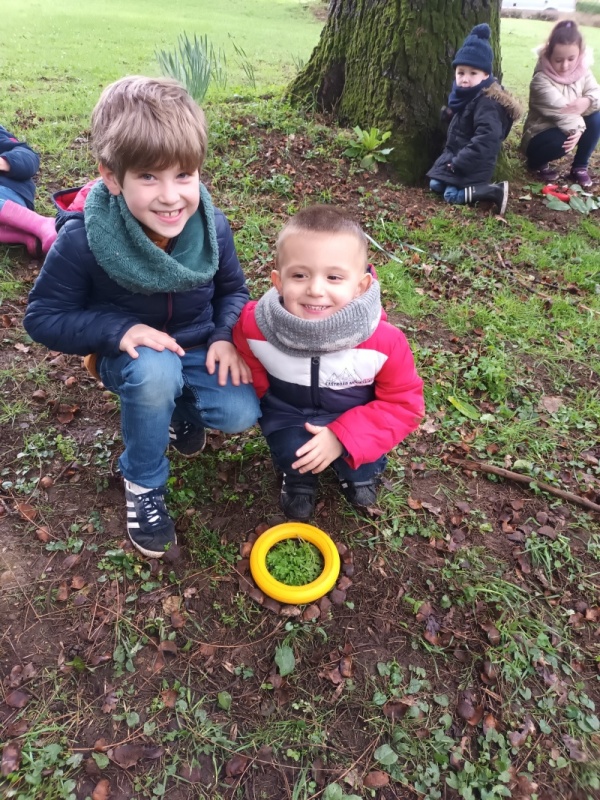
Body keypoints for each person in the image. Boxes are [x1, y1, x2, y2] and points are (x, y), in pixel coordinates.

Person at [24, 76, 260, 558]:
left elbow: (233, 290)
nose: (171, 197)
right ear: (113, 177)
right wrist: (118, 330)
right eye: (149, 177)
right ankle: (143, 483)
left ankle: (174, 413)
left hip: (196, 344)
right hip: (130, 357)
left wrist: (222, 335)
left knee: (241, 412)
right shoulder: (85, 240)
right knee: (155, 373)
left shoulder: (211, 228)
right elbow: (43, 317)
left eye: (184, 175)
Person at [232, 206, 424, 522]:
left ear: (360, 286)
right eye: (299, 275)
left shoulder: (385, 342)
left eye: (334, 277)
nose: (316, 290)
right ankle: (297, 477)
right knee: (293, 451)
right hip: (290, 414)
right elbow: (249, 357)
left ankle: (360, 473)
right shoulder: (255, 326)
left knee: (361, 459)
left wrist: (343, 436)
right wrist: (267, 401)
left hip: (356, 418)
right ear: (278, 281)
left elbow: (404, 404)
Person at [427, 23, 522, 215]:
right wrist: (451, 116)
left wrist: (459, 162)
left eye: (473, 73)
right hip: (457, 158)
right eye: (461, 72)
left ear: (486, 74)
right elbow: (467, 123)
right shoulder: (467, 95)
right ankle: (465, 186)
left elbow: (486, 139)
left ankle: (494, 191)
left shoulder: (487, 103)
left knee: (450, 195)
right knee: (435, 184)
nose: (465, 79)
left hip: (472, 163)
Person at [521, 19, 600, 188]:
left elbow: (596, 93)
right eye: (558, 60)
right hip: (540, 134)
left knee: (596, 117)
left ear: (580, 55)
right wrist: (578, 129)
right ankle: (536, 162)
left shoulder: (583, 71)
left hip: (569, 123)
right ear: (549, 55)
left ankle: (579, 167)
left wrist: (587, 100)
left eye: (571, 59)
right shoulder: (540, 80)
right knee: (562, 139)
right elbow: (563, 111)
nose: (565, 65)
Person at [0, 125, 56, 257]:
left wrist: (4, 162)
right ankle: (25, 236)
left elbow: (28, 155)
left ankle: (42, 223)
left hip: (8, 191)